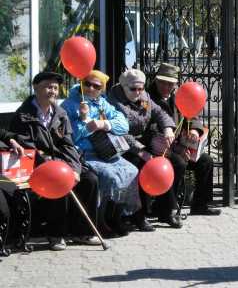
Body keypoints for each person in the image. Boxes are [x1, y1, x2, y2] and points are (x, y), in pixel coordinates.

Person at [10, 72, 100, 251]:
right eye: (47, 86)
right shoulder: (23, 115)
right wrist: (54, 165)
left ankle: (82, 231)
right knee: (57, 179)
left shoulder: (60, 113)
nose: (52, 91)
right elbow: (28, 149)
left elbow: (68, 145)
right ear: (35, 88)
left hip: (61, 161)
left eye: (55, 87)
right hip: (36, 165)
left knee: (90, 179)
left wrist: (74, 168)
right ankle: (55, 234)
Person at [61, 70, 141, 237]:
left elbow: (123, 125)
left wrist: (103, 124)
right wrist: (84, 121)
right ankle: (100, 220)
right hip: (84, 153)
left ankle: (116, 217)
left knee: (132, 170)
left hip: (106, 151)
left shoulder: (102, 103)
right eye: (87, 84)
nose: (91, 88)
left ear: (102, 89)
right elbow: (71, 135)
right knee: (109, 176)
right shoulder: (69, 104)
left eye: (96, 86)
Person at [107, 68, 180, 230]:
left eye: (141, 88)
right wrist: (141, 151)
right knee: (139, 166)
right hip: (122, 146)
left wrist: (168, 128)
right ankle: (138, 216)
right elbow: (121, 133)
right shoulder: (113, 102)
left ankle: (166, 211)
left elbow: (159, 112)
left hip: (144, 141)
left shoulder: (145, 97)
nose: (138, 92)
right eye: (133, 89)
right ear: (123, 86)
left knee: (172, 162)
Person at [148, 63, 221, 218]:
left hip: (179, 145)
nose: (166, 87)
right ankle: (166, 208)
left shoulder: (177, 96)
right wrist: (178, 149)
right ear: (156, 81)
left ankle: (201, 204)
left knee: (206, 161)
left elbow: (191, 115)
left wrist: (194, 129)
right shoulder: (149, 98)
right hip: (159, 147)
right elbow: (152, 130)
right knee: (178, 163)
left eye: (171, 84)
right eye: (163, 82)